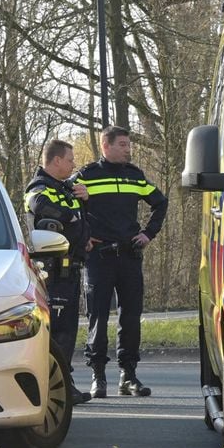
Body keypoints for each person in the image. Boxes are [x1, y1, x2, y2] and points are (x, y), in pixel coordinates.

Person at [75, 126, 168, 398]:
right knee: (98, 317)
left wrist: (149, 233)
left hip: (129, 256)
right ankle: (98, 377)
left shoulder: (135, 175)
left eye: (129, 145)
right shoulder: (86, 176)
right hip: (99, 258)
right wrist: (82, 237)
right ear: (106, 146)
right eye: (123, 144)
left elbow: (160, 203)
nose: (129, 149)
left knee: (130, 318)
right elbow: (67, 206)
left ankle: (128, 376)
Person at [24, 140, 92, 406]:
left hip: (71, 268)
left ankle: (65, 383)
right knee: (57, 334)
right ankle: (56, 388)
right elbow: (40, 206)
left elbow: (79, 220)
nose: (73, 164)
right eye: (70, 159)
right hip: (53, 272)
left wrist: (84, 203)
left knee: (67, 332)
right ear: (55, 161)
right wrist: (71, 216)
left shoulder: (64, 189)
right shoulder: (39, 188)